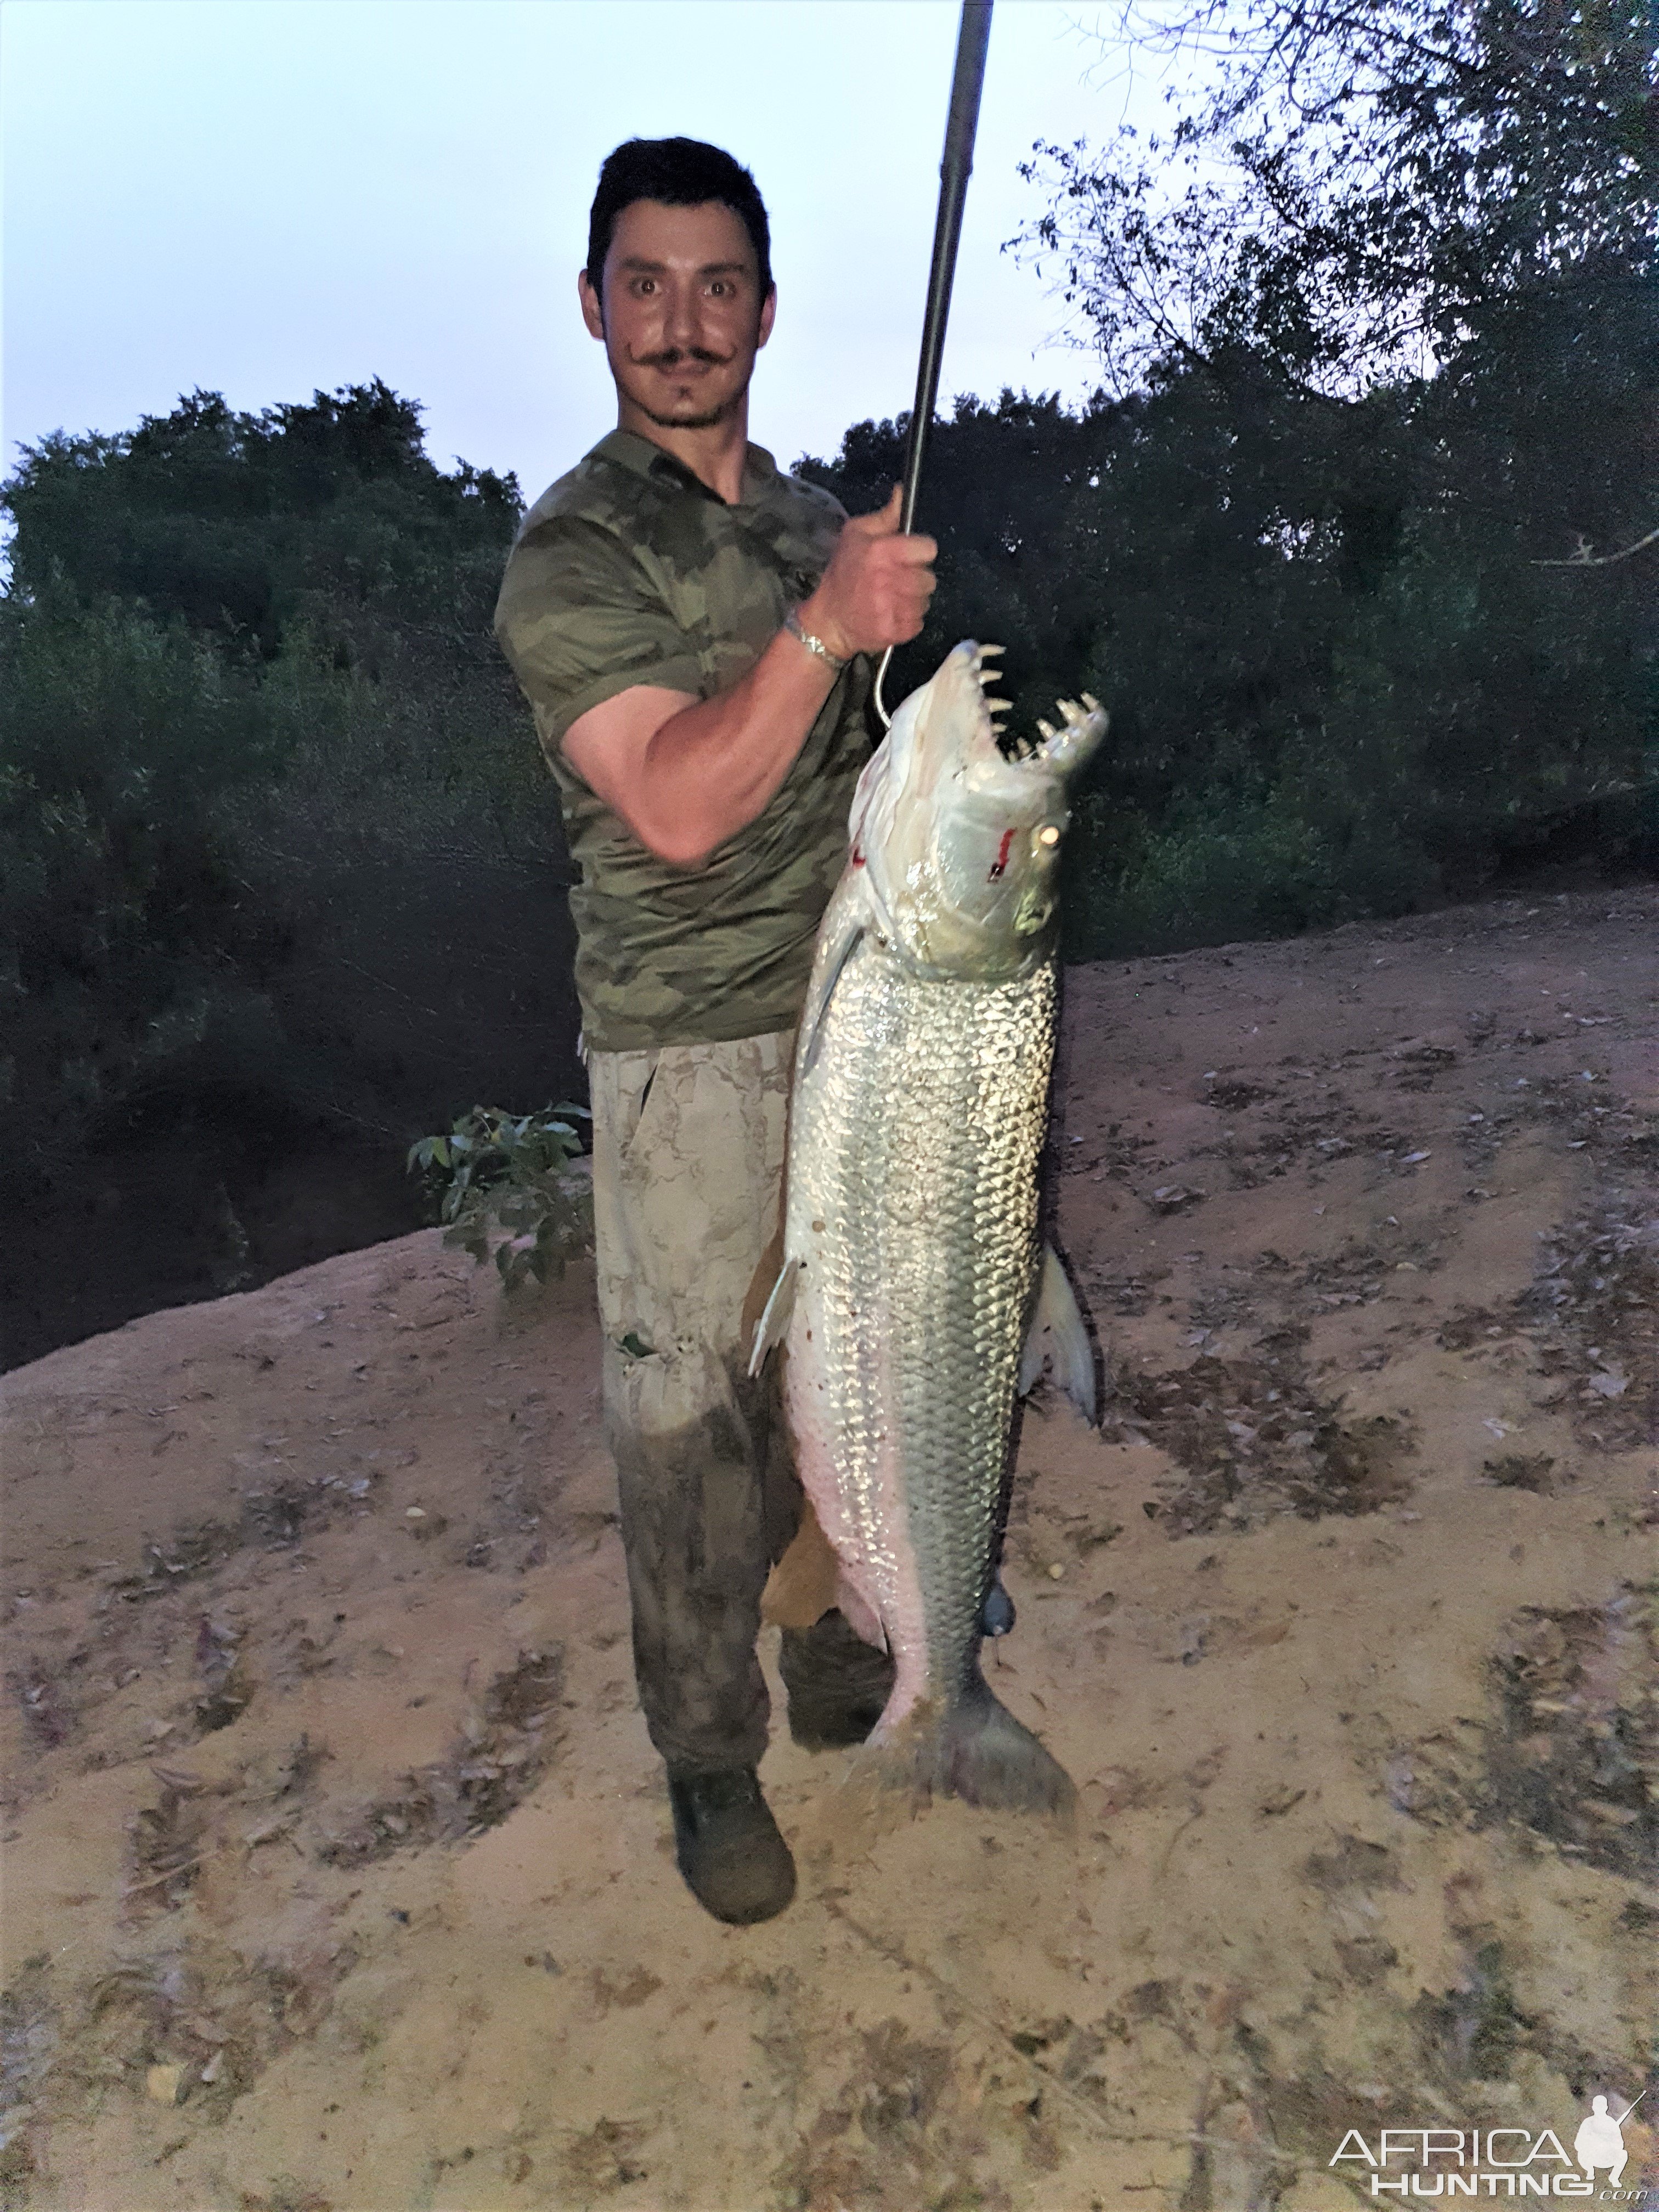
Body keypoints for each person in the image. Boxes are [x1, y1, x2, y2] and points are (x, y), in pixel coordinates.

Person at [493, 137, 937, 1925]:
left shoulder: (809, 517)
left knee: (851, 1360)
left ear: (765, 307)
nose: (685, 324)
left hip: (852, 1019)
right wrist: (831, 632)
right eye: (648, 285)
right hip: (681, 1053)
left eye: (720, 284)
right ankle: (704, 1759)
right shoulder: (570, 555)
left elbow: (863, 782)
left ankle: (846, 1629)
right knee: (691, 1433)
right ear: (594, 307)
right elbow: (675, 805)